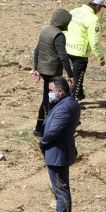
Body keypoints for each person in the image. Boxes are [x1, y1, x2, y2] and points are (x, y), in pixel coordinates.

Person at [38, 78, 80, 212]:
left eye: (51, 91)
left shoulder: (65, 107)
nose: (49, 94)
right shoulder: (68, 103)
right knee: (59, 188)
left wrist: (42, 143)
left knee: (61, 189)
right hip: (60, 150)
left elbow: (54, 131)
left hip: (57, 152)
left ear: (61, 91)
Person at [32, 9, 72, 137]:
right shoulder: (58, 35)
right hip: (53, 71)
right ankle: (46, 128)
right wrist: (70, 75)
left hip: (44, 69)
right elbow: (63, 56)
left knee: (47, 98)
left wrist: (36, 68)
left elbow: (37, 50)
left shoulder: (46, 30)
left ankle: (40, 128)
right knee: (52, 99)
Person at [63, 0, 106, 102]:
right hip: (80, 52)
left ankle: (79, 94)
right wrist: (100, 58)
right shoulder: (93, 19)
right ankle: (72, 100)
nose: (100, 10)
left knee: (73, 75)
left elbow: (64, 27)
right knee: (77, 77)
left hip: (67, 48)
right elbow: (94, 41)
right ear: (97, 6)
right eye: (101, 7)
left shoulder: (74, 11)